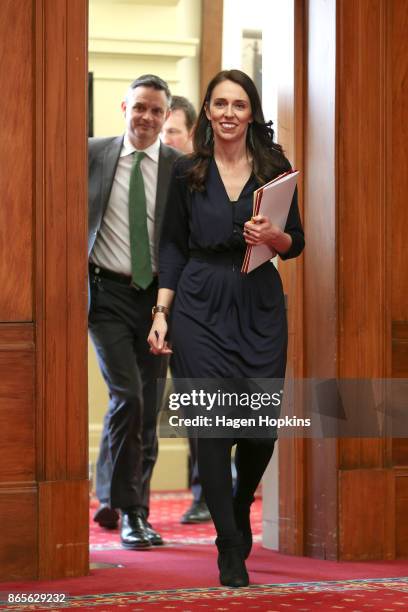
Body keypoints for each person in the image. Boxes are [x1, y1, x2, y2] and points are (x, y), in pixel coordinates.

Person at [148, 69, 304, 585]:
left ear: (252, 112)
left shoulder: (275, 169)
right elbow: (171, 246)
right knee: (211, 428)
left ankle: (238, 503)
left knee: (260, 429)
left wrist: (275, 236)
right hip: (198, 301)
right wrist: (162, 314)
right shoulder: (186, 171)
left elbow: (295, 243)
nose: (229, 113)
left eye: (239, 104)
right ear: (208, 113)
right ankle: (230, 545)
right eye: (220, 104)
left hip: (258, 299)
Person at [88, 74, 182, 550]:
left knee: (145, 408)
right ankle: (131, 513)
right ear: (124, 107)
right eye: (139, 107)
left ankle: (123, 501)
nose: (146, 117)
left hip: (157, 304)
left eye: (156, 111)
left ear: (166, 118)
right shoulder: (90, 154)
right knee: (127, 395)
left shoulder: (180, 169)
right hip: (105, 296)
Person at [162, 96, 211, 525]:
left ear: (190, 134)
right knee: (134, 398)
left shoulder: (198, 177)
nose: (165, 139)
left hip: (193, 300)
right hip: (141, 298)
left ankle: (205, 490)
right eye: (162, 131)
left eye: (173, 131)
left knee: (197, 396)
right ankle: (120, 500)